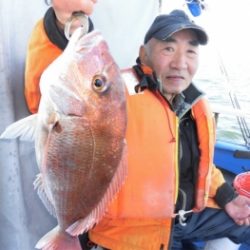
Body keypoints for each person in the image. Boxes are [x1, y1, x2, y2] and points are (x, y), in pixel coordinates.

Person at [24, 1, 250, 249]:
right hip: (128, 234)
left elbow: (203, 166)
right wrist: (59, 23)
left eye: (191, 52)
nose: (180, 62)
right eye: (168, 49)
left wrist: (227, 197)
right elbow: (54, 93)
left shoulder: (194, 104)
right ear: (144, 54)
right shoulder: (118, 92)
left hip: (182, 218)